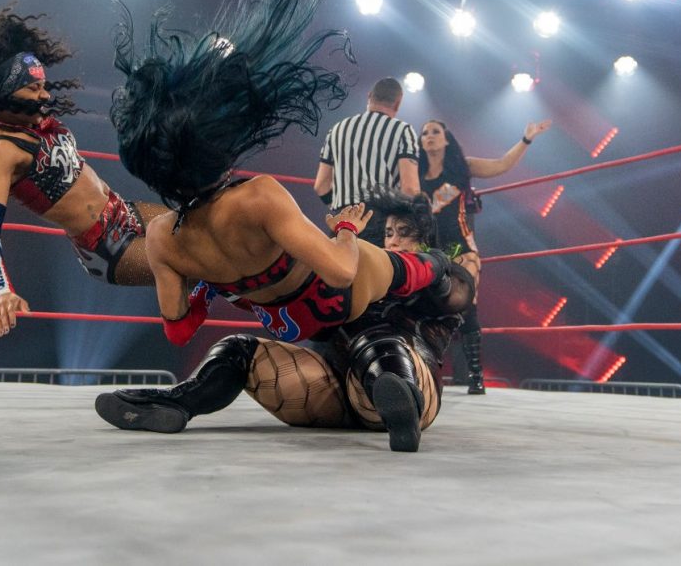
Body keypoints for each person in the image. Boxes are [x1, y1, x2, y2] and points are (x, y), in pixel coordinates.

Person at [108, 0, 473, 350]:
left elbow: (178, 332)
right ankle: (437, 280)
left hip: (290, 326)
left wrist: (210, 285)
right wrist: (347, 227)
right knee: (417, 269)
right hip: (339, 287)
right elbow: (340, 271)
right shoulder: (258, 196)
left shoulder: (161, 236)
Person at [94, 187, 458, 453]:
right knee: (237, 349)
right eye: (390, 232)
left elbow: (454, 289)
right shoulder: (361, 268)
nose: (394, 241)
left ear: (426, 240)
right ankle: (177, 403)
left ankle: (401, 407)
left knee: (373, 336)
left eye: (404, 234)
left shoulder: (426, 278)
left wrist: (438, 268)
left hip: (409, 388)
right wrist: (213, 281)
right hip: (330, 390)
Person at [0, 7, 168, 337]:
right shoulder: (0, 153)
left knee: (204, 229)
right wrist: (0, 292)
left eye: (43, 86)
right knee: (198, 261)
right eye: (33, 89)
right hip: (106, 248)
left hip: (124, 211)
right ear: (5, 93)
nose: (44, 95)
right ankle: (184, 314)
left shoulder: (33, 120)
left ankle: (226, 299)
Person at [418, 118, 551, 393]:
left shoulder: (462, 167)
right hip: (428, 250)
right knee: (424, 310)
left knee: (467, 307)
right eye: (425, 133)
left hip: (461, 248)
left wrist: (526, 139)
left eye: (435, 132)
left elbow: (501, 165)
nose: (429, 136)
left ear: (446, 139)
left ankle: (476, 375)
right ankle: (424, 372)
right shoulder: (414, 176)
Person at [313, 77, 421, 246]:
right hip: (381, 220)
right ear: (398, 103)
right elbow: (410, 188)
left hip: (343, 218)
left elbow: (321, 185)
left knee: (340, 262)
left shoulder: (338, 129)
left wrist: (343, 208)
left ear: (369, 96)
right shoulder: (402, 130)